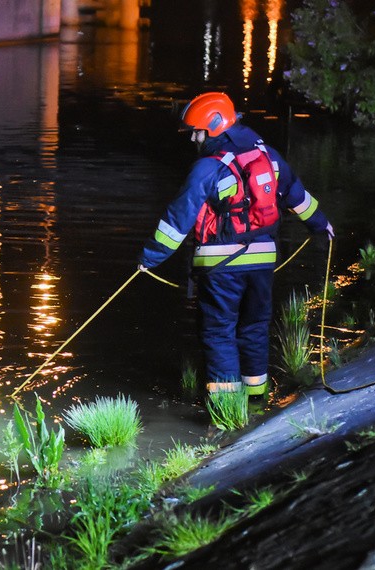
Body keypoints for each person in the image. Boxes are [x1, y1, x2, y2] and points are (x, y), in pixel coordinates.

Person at [137, 92, 333, 395]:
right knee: (254, 329)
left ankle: (227, 414)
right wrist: (321, 224)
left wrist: (149, 259)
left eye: (196, 133)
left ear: (213, 128)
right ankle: (256, 402)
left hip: (220, 265)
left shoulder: (207, 168)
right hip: (263, 261)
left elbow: (177, 220)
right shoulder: (268, 157)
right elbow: (297, 195)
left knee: (219, 332)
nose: (193, 141)